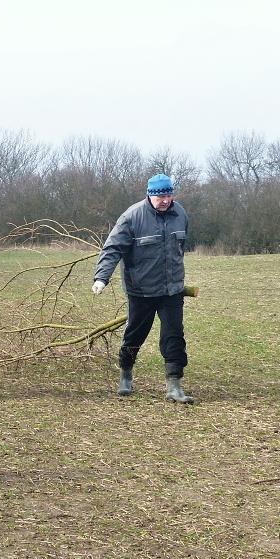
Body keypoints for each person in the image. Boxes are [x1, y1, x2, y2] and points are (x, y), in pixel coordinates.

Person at [92, 173, 193, 404]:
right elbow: (112, 249)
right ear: (149, 195)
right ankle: (125, 373)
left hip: (172, 290)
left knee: (174, 336)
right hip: (141, 291)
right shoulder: (132, 217)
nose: (165, 200)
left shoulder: (180, 213)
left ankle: (174, 385)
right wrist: (101, 278)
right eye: (160, 197)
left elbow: (180, 247)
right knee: (135, 335)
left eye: (168, 195)